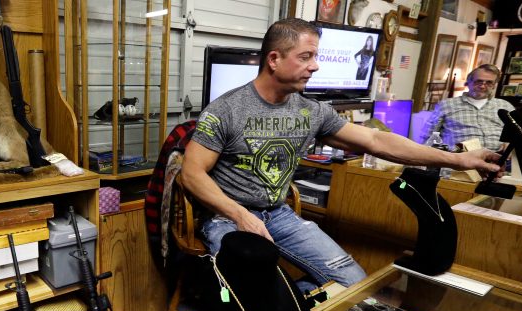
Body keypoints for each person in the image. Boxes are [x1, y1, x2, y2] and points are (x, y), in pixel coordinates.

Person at [182, 18, 503, 290]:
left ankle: (289, 307)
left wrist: (459, 159)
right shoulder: (226, 109)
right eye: (306, 56)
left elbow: (377, 141)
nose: (316, 66)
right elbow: (192, 174)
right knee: (255, 292)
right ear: (275, 59)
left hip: (278, 214)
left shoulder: (312, 111)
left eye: (316, 56)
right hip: (226, 217)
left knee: (352, 283)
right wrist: (240, 215)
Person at [419, 64, 515, 151]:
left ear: (494, 85)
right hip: (460, 160)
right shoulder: (446, 105)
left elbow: (519, 134)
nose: (482, 86)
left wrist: (509, 142)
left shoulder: (505, 106)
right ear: (468, 82)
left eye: (489, 83)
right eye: (478, 81)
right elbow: (427, 136)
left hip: (498, 159)